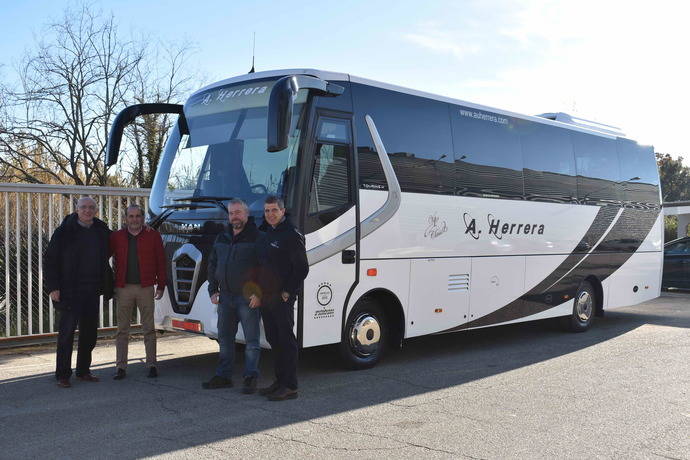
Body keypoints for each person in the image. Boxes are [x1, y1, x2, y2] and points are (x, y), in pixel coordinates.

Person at [44, 196, 114, 388]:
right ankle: (63, 375)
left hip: (92, 290)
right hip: (69, 291)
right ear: (77, 209)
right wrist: (53, 287)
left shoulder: (101, 231)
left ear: (96, 210)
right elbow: (50, 260)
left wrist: (144, 229)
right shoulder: (64, 231)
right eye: (83, 207)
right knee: (66, 334)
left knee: (89, 333)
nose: (87, 210)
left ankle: (83, 371)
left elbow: (122, 240)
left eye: (91, 207)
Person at [203, 199, 263, 394]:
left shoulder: (257, 237)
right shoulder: (222, 237)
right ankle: (223, 376)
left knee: (252, 341)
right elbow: (212, 264)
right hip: (225, 297)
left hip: (248, 298)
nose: (234, 216)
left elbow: (266, 268)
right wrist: (213, 290)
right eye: (231, 213)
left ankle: (250, 377)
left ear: (246, 214)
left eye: (238, 212)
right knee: (225, 338)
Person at [256, 196, 309, 401]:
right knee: (273, 340)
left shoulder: (291, 234)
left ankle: (290, 386)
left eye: (274, 210)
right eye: (267, 210)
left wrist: (287, 291)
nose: (270, 214)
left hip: (282, 298)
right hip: (267, 297)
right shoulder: (267, 233)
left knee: (286, 341)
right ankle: (279, 381)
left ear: (283, 211)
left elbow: (302, 268)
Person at [110, 204, 166, 380]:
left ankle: (151, 364)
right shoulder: (116, 237)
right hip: (123, 288)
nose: (134, 219)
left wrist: (162, 285)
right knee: (122, 330)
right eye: (131, 216)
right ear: (126, 218)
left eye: (137, 216)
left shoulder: (153, 235)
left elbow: (161, 261)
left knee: (149, 329)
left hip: (146, 287)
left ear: (142, 218)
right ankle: (121, 367)